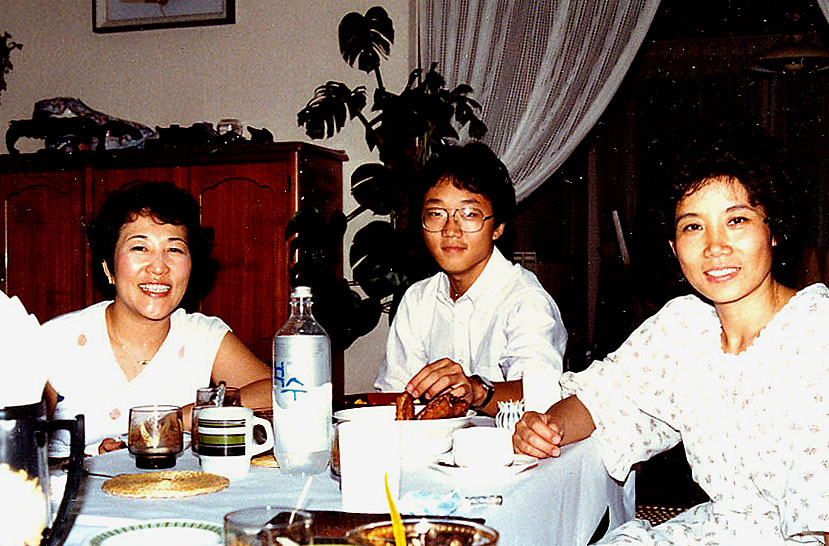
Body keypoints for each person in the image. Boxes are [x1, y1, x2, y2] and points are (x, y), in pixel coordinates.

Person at [513, 124, 829, 544]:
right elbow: (606, 398)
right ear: (673, 245)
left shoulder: (815, 330)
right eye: (693, 227)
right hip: (716, 531)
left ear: (773, 230)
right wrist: (545, 426)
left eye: (736, 220)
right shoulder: (684, 328)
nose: (715, 246)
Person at [44, 182, 272, 456]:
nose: (159, 267)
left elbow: (277, 392)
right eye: (140, 248)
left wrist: (176, 421)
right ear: (108, 266)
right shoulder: (55, 340)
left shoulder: (202, 335)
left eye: (174, 250)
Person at [374, 142, 568, 415]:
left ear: (498, 226)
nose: (451, 230)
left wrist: (477, 391)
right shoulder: (418, 300)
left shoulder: (526, 300)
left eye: (469, 214)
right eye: (436, 214)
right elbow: (396, 393)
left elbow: (541, 396)